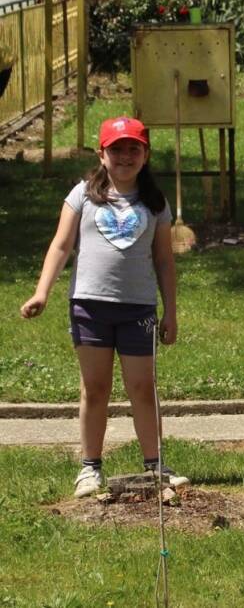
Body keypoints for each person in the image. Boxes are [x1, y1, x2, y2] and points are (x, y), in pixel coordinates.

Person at [19, 117, 188, 497]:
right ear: (102, 153)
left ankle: (155, 465)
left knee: (142, 387)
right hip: (89, 306)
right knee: (95, 388)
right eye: (116, 148)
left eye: (134, 148)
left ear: (145, 156)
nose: (125, 156)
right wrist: (41, 292)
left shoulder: (155, 203)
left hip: (138, 309)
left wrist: (170, 311)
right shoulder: (82, 194)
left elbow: (164, 261)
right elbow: (61, 246)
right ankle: (90, 467)